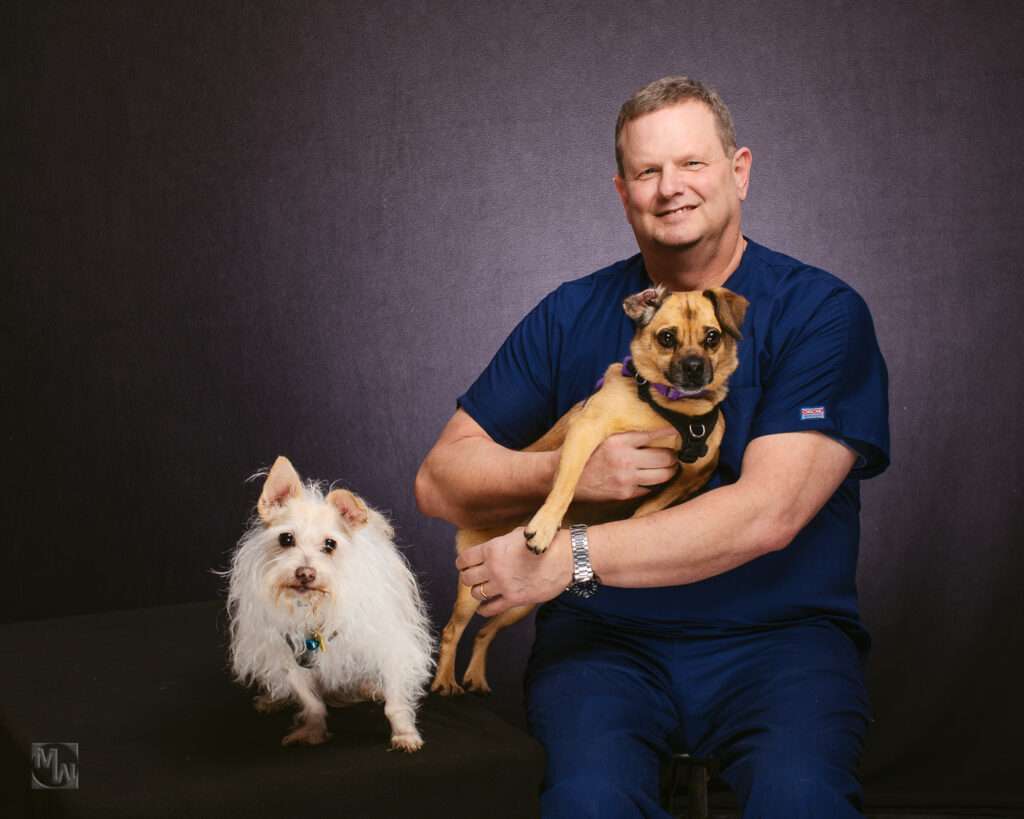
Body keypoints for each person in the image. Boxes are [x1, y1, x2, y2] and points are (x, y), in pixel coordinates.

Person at [415, 76, 889, 818]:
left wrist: (562, 557)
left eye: (693, 164)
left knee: (804, 803)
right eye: (647, 171)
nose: (670, 188)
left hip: (780, 641)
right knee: (585, 805)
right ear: (622, 190)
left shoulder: (819, 312)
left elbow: (768, 513)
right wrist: (572, 469)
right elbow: (439, 483)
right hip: (606, 642)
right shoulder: (571, 312)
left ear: (739, 172)